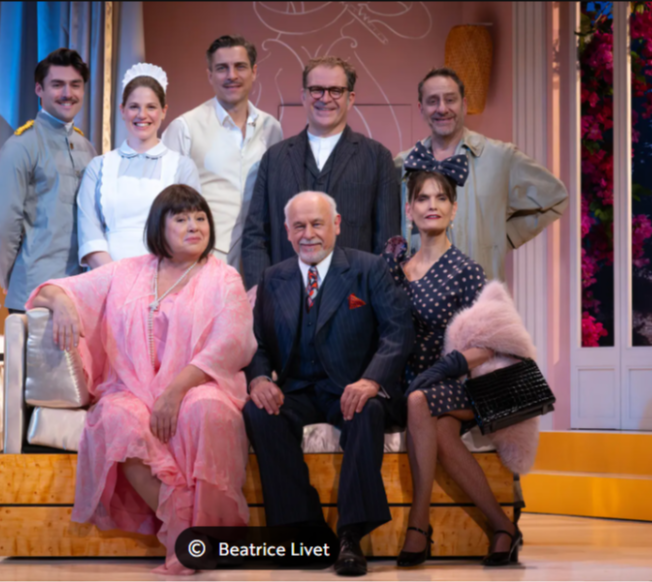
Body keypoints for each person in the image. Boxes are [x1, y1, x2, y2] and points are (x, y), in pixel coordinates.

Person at [27, 186, 257, 575]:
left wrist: (175, 391)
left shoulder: (224, 277)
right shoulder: (127, 271)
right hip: (132, 389)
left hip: (199, 384)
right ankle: (182, 529)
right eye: (181, 219)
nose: (194, 226)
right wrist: (62, 303)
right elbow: (49, 291)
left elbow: (231, 343)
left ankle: (212, 535)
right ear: (159, 228)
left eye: (200, 218)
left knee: (207, 411)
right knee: (115, 419)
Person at [243, 191, 413, 577]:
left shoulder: (369, 269)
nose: (308, 234)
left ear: (336, 225)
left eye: (317, 224)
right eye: (299, 226)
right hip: (297, 390)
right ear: (287, 231)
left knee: (367, 412)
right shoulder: (272, 277)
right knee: (258, 412)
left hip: (353, 387)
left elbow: (398, 332)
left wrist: (371, 380)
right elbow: (257, 343)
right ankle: (305, 530)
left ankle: (351, 536)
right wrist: (258, 377)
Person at [382, 158, 521, 568]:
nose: (432, 205)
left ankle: (418, 523)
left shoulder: (466, 271)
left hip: (458, 384)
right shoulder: (395, 269)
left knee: (420, 401)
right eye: (423, 198)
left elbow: (490, 343)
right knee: (436, 425)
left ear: (454, 209)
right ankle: (503, 527)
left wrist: (444, 368)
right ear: (409, 210)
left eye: (441, 198)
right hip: (408, 383)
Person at [241, 56, 400, 290]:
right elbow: (255, 236)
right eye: (316, 90)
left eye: (336, 90)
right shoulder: (274, 158)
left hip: (354, 299)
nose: (325, 98)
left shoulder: (377, 157)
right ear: (303, 96)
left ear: (350, 98)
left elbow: (388, 242)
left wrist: (376, 296)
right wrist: (260, 290)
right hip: (284, 298)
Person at [395, 67, 568, 282]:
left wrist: (503, 238)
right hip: (418, 296)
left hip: (479, 295)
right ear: (421, 108)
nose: (442, 108)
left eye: (450, 100)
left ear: (464, 105)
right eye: (433, 101)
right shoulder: (404, 164)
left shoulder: (501, 157)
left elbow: (556, 197)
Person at [0, 48, 97, 313]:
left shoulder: (87, 148)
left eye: (75, 85)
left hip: (82, 293)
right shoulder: (21, 146)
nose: (67, 93)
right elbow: (3, 224)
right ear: (39, 89)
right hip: (34, 292)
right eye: (57, 85)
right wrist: (9, 276)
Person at [163, 35, 283, 267]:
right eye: (222, 68)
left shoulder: (272, 128)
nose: (232, 75)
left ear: (254, 72)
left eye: (240, 66)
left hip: (260, 255)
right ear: (210, 75)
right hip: (204, 255)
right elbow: (166, 202)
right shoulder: (184, 127)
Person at [77, 63, 201, 268]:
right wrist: (116, 278)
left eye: (151, 107)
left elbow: (190, 231)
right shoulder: (98, 167)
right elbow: (89, 233)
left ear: (164, 111)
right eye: (134, 106)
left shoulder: (183, 167)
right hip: (107, 277)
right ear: (122, 110)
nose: (142, 115)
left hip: (165, 276)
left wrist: (159, 279)